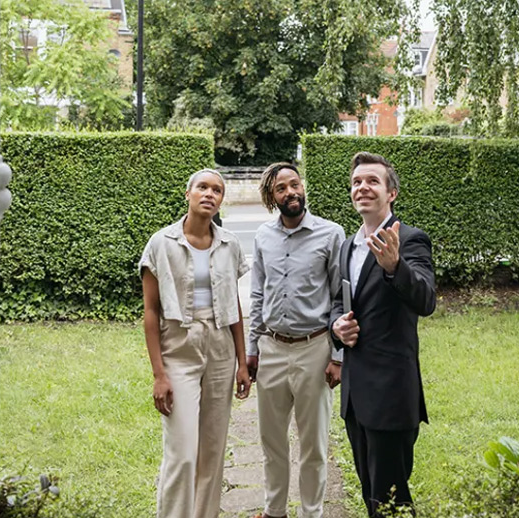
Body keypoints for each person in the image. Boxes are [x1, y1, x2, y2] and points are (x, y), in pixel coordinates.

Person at [138, 168, 252, 518]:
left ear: (221, 201)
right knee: (183, 452)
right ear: (188, 194)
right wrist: (159, 374)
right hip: (180, 349)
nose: (209, 194)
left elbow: (232, 305)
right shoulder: (162, 243)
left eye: (217, 190)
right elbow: (151, 313)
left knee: (212, 451)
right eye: (202, 187)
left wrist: (242, 363)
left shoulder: (230, 244)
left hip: (220, 349)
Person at [329, 152, 436, 517]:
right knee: (369, 491)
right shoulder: (347, 245)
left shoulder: (410, 240)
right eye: (357, 182)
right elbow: (338, 303)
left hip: (391, 394)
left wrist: (395, 267)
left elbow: (426, 300)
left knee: (392, 497)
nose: (363, 188)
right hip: (355, 395)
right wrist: (336, 327)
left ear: (391, 193)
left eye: (372, 181)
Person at [247, 162, 346, 518]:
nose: (290, 192)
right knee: (271, 442)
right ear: (271, 198)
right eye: (281, 189)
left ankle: (311, 513)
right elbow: (257, 294)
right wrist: (251, 348)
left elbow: (340, 298)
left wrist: (338, 356)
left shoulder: (331, 234)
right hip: (271, 349)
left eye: (294, 184)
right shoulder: (262, 236)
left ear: (303, 187)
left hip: (314, 349)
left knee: (314, 445)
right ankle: (274, 512)